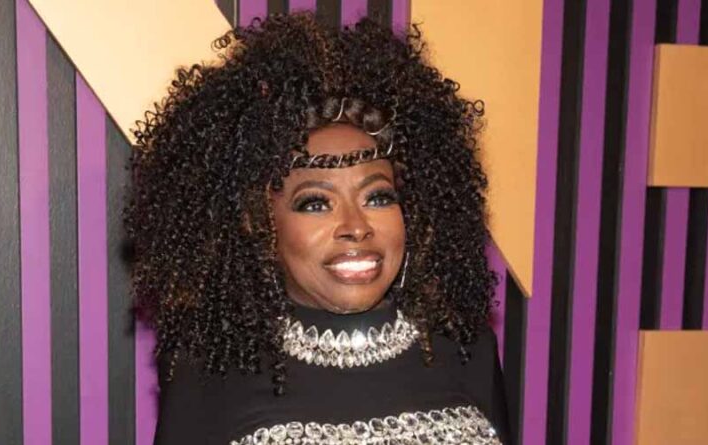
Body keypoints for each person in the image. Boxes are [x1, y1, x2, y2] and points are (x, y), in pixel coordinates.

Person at [125, 12, 510, 445]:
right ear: (258, 222)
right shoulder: (207, 372)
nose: (355, 227)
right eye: (315, 203)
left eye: (377, 197)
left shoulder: (467, 347)